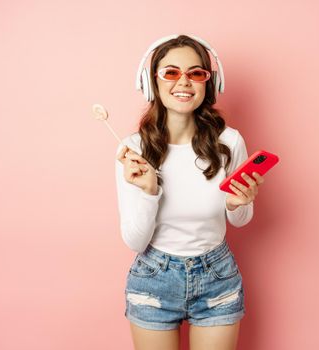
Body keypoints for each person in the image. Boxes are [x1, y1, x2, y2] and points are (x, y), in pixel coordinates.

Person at [115, 34, 264, 350]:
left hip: (217, 277)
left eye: (196, 73)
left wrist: (239, 204)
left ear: (209, 84)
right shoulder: (133, 150)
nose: (184, 81)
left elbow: (239, 220)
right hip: (154, 279)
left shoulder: (230, 142)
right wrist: (149, 192)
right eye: (170, 72)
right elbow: (135, 241)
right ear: (151, 81)